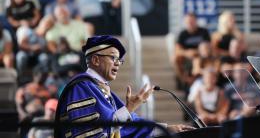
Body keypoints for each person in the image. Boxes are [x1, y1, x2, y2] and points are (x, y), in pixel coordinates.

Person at [56, 35, 193, 137]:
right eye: (113, 58)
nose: (117, 64)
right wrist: (129, 108)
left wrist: (166, 128)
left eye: (119, 60)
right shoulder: (81, 87)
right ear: (96, 60)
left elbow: (129, 125)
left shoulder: (101, 89)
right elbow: (89, 133)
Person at [174, 13, 211, 88]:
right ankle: (183, 80)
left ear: (196, 21)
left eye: (192, 21)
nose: (190, 23)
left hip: (201, 55)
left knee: (197, 59)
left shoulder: (203, 32)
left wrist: (196, 52)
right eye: (188, 21)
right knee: (175, 58)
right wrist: (187, 53)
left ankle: (196, 78)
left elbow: (208, 47)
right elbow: (177, 50)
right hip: (187, 57)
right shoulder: (182, 34)